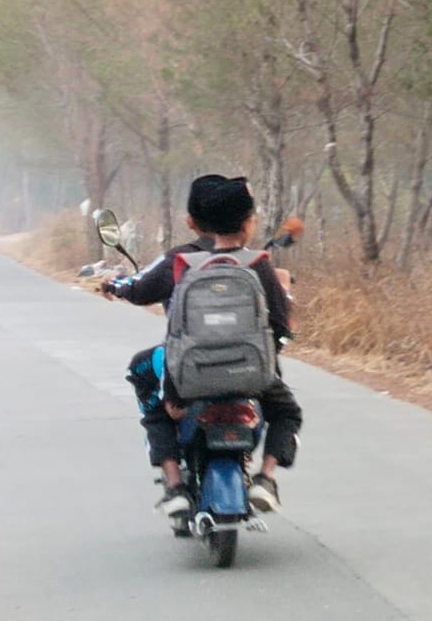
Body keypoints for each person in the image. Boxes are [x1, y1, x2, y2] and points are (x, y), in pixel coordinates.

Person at [100, 175, 302, 517]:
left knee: (144, 379)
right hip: (253, 376)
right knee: (287, 412)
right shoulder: (259, 264)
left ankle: (175, 484)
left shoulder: (178, 262)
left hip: (185, 378)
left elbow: (138, 290)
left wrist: (114, 285)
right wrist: (267, 362)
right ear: (249, 222)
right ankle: (266, 479)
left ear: (191, 221)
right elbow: (281, 327)